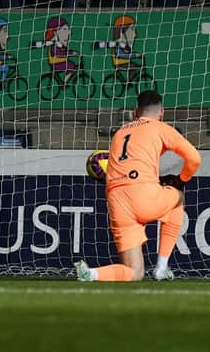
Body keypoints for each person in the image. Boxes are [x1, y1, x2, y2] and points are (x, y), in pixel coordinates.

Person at [74, 90, 201, 282]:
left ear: (135, 112)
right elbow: (194, 159)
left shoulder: (120, 132)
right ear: (161, 112)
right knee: (177, 198)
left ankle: (91, 273)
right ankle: (161, 267)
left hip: (117, 200)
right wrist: (181, 180)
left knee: (134, 273)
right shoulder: (160, 127)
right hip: (143, 195)